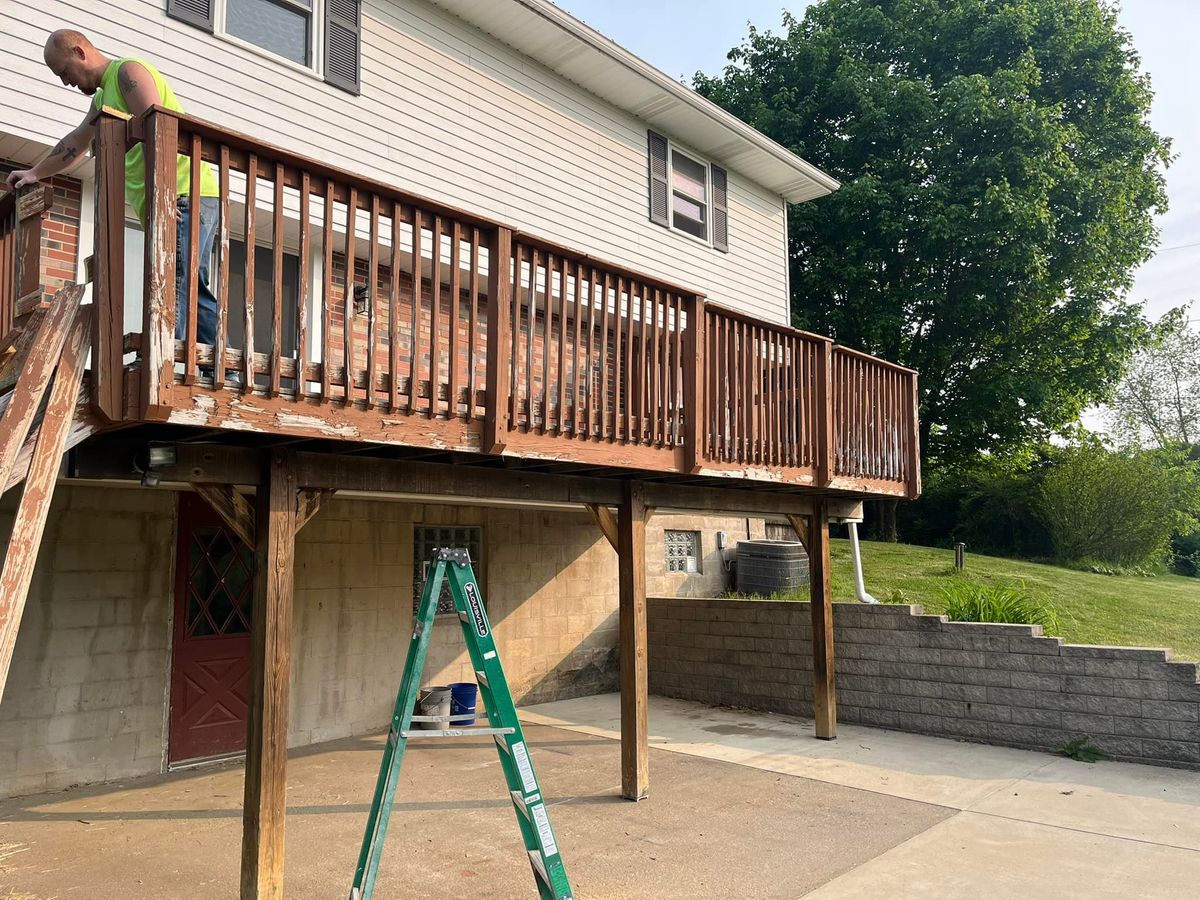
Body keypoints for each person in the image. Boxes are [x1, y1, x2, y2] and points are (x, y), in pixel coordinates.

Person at [3, 30, 221, 349]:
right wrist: (36, 172)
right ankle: (219, 367)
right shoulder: (103, 98)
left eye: (64, 72)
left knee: (174, 277)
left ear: (80, 52)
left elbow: (159, 128)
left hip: (182, 192)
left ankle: (169, 364)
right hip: (174, 196)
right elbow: (77, 141)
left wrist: (163, 192)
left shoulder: (128, 72)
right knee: (188, 281)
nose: (66, 82)